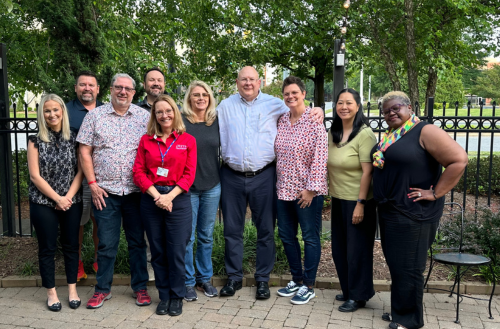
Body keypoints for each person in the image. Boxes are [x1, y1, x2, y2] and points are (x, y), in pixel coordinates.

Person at [217, 66, 324, 300]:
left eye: (252, 79)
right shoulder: (225, 106)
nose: (248, 83)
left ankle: (262, 280)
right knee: (232, 230)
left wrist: (319, 110)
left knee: (265, 229)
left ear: (260, 82)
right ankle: (234, 278)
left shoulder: (275, 104)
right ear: (237, 82)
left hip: (264, 176)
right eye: (243, 79)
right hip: (232, 176)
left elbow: (301, 108)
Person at [372, 91, 468, 329]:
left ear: (409, 108)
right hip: (392, 209)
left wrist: (434, 193)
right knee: (398, 264)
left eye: (396, 108)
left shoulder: (425, 131)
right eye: (386, 111)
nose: (391, 113)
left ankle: (409, 320)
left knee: (410, 266)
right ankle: (400, 311)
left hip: (414, 213)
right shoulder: (393, 134)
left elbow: (459, 159)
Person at [77, 73, 151, 309]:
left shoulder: (144, 117)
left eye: (127, 89)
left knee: (137, 243)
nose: (122, 92)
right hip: (105, 192)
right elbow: (85, 151)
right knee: (107, 244)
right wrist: (92, 184)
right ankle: (102, 290)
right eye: (118, 87)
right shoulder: (95, 116)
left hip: (136, 193)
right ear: (110, 90)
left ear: (134, 93)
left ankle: (140, 288)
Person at [133, 94, 197, 316]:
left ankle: (177, 296)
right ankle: (164, 296)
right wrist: (157, 197)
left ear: (175, 112)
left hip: (177, 200)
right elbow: (138, 172)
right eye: (159, 112)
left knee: (177, 250)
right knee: (158, 251)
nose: (164, 115)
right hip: (152, 200)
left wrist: (169, 197)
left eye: (168, 110)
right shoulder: (146, 140)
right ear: (154, 115)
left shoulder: (187, 140)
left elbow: (189, 175)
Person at [27, 94, 84, 311]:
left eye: (55, 110)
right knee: (47, 248)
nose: (52, 114)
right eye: (47, 110)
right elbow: (35, 176)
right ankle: (51, 293)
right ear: (42, 113)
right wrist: (57, 198)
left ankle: (72, 290)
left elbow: (80, 171)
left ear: (62, 111)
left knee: (71, 246)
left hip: (71, 200)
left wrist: (67, 197)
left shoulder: (74, 138)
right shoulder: (35, 141)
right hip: (43, 203)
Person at [274, 76, 328, 305]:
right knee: (286, 235)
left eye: (295, 92)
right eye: (286, 93)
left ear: (304, 94)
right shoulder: (282, 120)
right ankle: (296, 279)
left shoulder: (314, 120)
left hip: (307, 193)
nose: (290, 96)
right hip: (283, 190)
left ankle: (309, 285)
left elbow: (320, 157)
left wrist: (311, 190)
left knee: (309, 237)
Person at [327, 88, 377, 312]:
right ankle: (348, 290)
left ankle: (359, 296)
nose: (343, 107)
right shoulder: (334, 131)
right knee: (340, 249)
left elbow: (368, 172)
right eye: (340, 103)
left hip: (358, 201)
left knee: (357, 251)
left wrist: (361, 203)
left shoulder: (365, 133)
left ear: (358, 106)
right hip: (338, 198)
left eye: (349, 103)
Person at [181, 81, 220, 301]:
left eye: (204, 94)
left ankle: (204, 279)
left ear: (210, 98)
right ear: (189, 98)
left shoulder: (216, 121)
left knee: (206, 236)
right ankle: (187, 281)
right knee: (188, 237)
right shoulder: (182, 122)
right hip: (187, 188)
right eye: (196, 95)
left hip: (212, 185)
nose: (200, 98)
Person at [67, 70, 103, 281]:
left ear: (98, 89)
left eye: (91, 85)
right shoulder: (67, 110)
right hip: (73, 179)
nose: (87, 88)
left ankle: (99, 260)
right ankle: (77, 264)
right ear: (76, 88)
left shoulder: (106, 110)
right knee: (77, 222)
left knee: (98, 219)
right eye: (82, 85)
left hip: (100, 178)